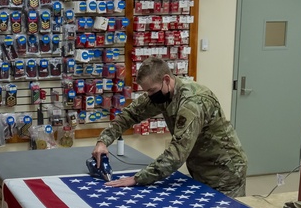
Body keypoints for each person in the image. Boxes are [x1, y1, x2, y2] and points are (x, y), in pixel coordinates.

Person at [92, 57, 248, 197]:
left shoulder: (192, 102)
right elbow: (130, 114)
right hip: (201, 168)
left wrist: (138, 179)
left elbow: (177, 153)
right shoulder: (163, 93)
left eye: (151, 90)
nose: (149, 95)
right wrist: (103, 141)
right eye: (146, 91)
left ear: (166, 79)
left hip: (225, 172)